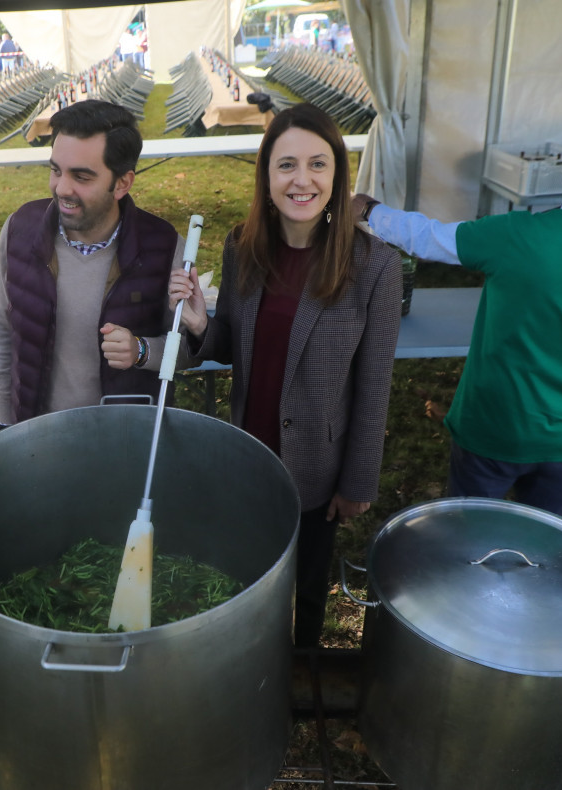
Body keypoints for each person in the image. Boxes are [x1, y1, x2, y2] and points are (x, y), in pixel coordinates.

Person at [169, 104, 402, 648]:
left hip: (318, 466)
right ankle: (249, 662)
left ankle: (300, 668)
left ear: (338, 175)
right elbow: (232, 341)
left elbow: (373, 387)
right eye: (287, 165)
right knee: (247, 572)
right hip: (250, 452)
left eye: (318, 164)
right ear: (266, 175)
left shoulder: (374, 266)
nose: (303, 180)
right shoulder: (242, 247)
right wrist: (203, 324)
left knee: (308, 584)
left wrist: (358, 481)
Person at [352, 130, 562, 518]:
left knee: (469, 539)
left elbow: (429, 238)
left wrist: (368, 210)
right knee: (545, 545)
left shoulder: (519, 234)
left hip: (494, 427)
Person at [0, 99, 186, 428]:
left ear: (122, 183)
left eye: (81, 176)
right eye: (55, 170)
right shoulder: (19, 230)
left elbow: (188, 350)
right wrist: (7, 424)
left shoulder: (164, 246)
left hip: (127, 442)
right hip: (38, 437)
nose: (62, 188)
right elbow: (0, 330)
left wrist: (142, 351)